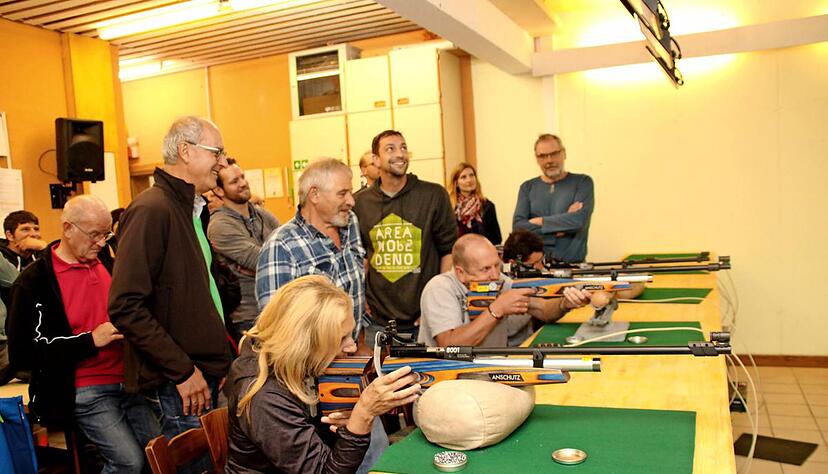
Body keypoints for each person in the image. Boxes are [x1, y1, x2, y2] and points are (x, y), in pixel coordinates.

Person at [6, 195, 159, 473]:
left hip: (130, 380)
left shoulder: (107, 263)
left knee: (159, 453)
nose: (101, 242)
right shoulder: (33, 282)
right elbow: (23, 354)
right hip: (84, 388)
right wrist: (89, 341)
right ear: (67, 228)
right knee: (128, 462)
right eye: (94, 235)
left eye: (106, 234)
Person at [108, 116, 234, 447]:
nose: (222, 162)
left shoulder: (191, 209)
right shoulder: (152, 209)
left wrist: (217, 360)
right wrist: (182, 371)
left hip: (202, 373)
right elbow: (125, 305)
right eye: (216, 151)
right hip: (178, 382)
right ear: (185, 151)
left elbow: (200, 294)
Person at [226, 275, 419, 473]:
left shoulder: (301, 364)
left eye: (351, 334)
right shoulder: (265, 396)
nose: (352, 346)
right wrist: (363, 415)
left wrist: (348, 423)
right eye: (341, 338)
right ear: (306, 344)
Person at [353, 130, 457, 342]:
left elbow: (448, 252)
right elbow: (361, 257)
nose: (400, 154)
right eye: (390, 149)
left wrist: (435, 303)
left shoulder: (433, 195)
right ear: (375, 159)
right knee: (380, 376)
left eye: (403, 147)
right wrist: (360, 296)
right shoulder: (360, 203)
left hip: (425, 320)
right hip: (377, 323)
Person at [419, 234, 591, 347]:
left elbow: (543, 310)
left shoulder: (500, 281)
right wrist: (497, 309)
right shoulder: (440, 288)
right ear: (460, 272)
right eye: (485, 269)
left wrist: (565, 303)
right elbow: (449, 345)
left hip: (491, 373)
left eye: (496, 265)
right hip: (450, 381)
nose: (495, 275)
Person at [208, 158, 279, 341]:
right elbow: (263, 261)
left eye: (242, 177)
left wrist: (260, 267)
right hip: (248, 317)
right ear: (218, 190)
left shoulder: (261, 215)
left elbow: (288, 250)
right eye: (234, 181)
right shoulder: (219, 226)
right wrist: (269, 262)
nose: (243, 183)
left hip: (277, 310)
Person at [513, 134, 594, 263]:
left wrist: (538, 221)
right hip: (536, 268)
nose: (549, 160)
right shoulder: (527, 187)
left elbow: (579, 221)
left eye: (554, 153)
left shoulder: (583, 182)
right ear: (537, 159)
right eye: (543, 156)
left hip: (573, 267)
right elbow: (518, 228)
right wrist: (559, 229)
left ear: (564, 154)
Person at [448, 162, 501, 245]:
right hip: (457, 254)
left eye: (472, 175)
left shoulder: (487, 206)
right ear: (456, 183)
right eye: (463, 177)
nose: (469, 180)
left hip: (483, 254)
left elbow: (496, 239)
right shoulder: (449, 207)